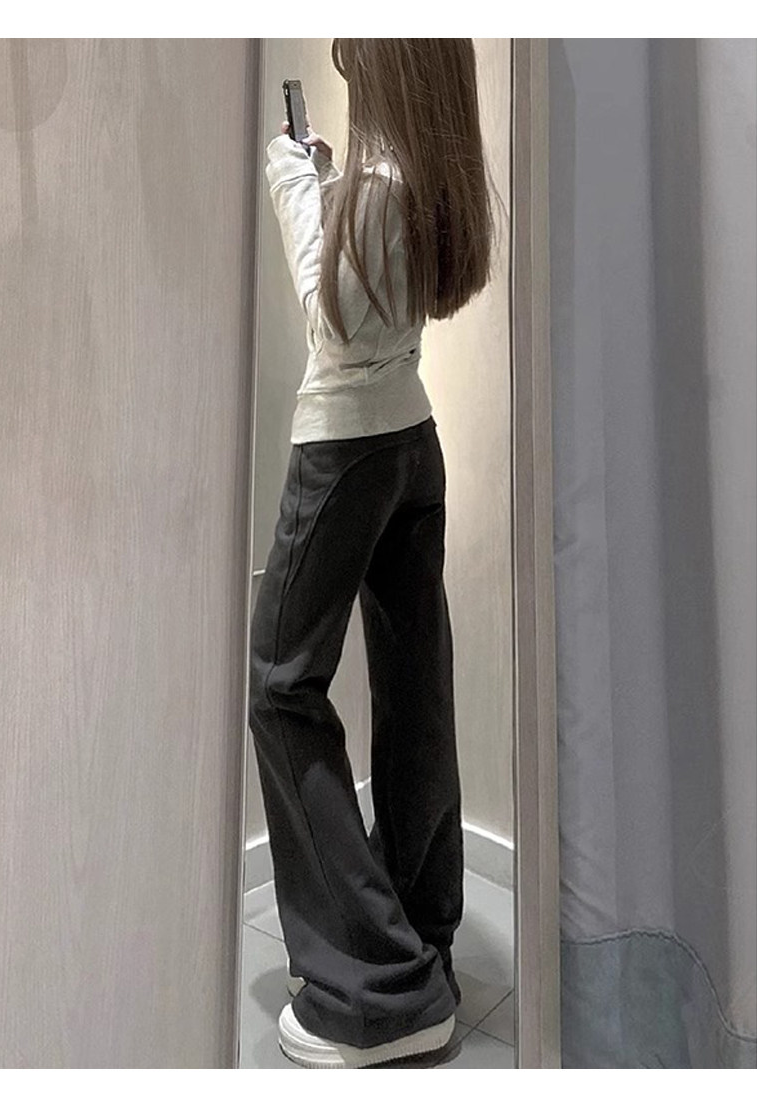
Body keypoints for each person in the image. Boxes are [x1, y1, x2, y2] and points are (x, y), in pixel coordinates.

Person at [248, 38, 498, 1068]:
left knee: (280, 687)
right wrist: (325, 191)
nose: (345, 60)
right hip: (411, 440)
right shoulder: (425, 178)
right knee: (414, 687)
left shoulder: (376, 187)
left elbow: (333, 324)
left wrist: (290, 187)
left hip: (346, 447)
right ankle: (420, 937)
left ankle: (379, 991)